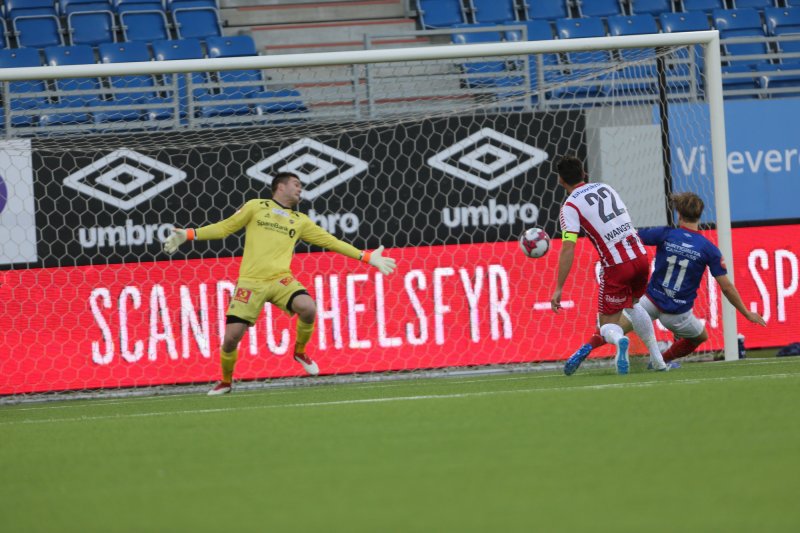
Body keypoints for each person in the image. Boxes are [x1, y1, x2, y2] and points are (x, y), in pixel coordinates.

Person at [163, 171, 397, 395]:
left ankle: (300, 352)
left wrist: (367, 257)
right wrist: (190, 234)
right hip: (250, 282)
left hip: (280, 279)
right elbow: (225, 227)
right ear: (281, 186)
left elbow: (331, 241)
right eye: (296, 184)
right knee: (231, 338)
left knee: (308, 307)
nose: (300, 189)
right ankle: (225, 381)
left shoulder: (300, 220)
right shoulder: (256, 206)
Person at [573, 192, 766, 366]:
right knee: (700, 337)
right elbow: (727, 288)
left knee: (613, 328)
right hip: (678, 314)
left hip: (650, 301)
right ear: (699, 216)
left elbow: (631, 239)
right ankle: (661, 361)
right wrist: (746, 312)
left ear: (679, 215)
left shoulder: (666, 234)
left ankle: (587, 347)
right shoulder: (709, 249)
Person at [549, 155, 667, 375]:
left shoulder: (570, 206)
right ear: (584, 173)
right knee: (633, 305)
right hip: (640, 256)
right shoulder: (606, 188)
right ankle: (659, 361)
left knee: (606, 325)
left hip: (616, 265)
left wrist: (558, 288)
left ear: (561, 181)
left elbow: (568, 247)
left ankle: (620, 340)